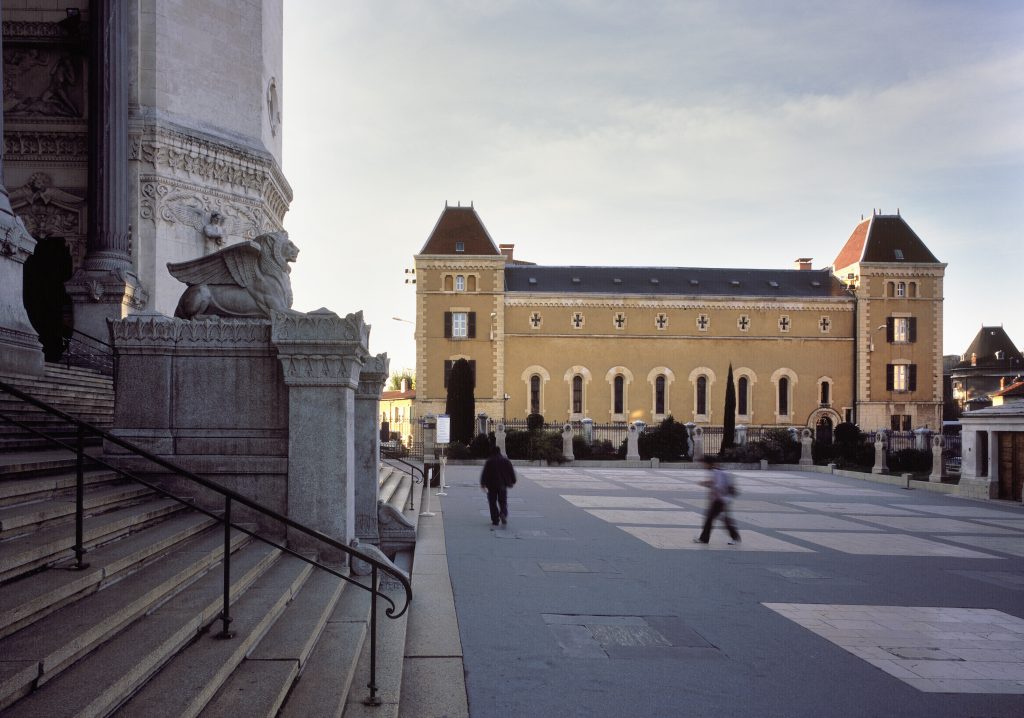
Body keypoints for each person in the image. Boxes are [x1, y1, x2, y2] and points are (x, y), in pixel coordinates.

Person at [694, 457, 740, 544]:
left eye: (705, 464)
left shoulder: (719, 472)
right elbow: (715, 484)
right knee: (720, 519)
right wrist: (707, 484)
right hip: (719, 500)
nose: (704, 466)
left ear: (710, 464)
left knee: (711, 518)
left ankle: (704, 539)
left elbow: (719, 486)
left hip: (721, 500)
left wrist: (707, 484)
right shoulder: (716, 471)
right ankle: (735, 537)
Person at [480, 444, 516, 526]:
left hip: (491, 485)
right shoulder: (506, 460)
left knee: (492, 502)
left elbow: (485, 473)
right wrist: (513, 481)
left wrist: (483, 483)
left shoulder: (489, 461)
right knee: (503, 501)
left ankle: (495, 519)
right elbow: (511, 472)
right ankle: (503, 513)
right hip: (502, 485)